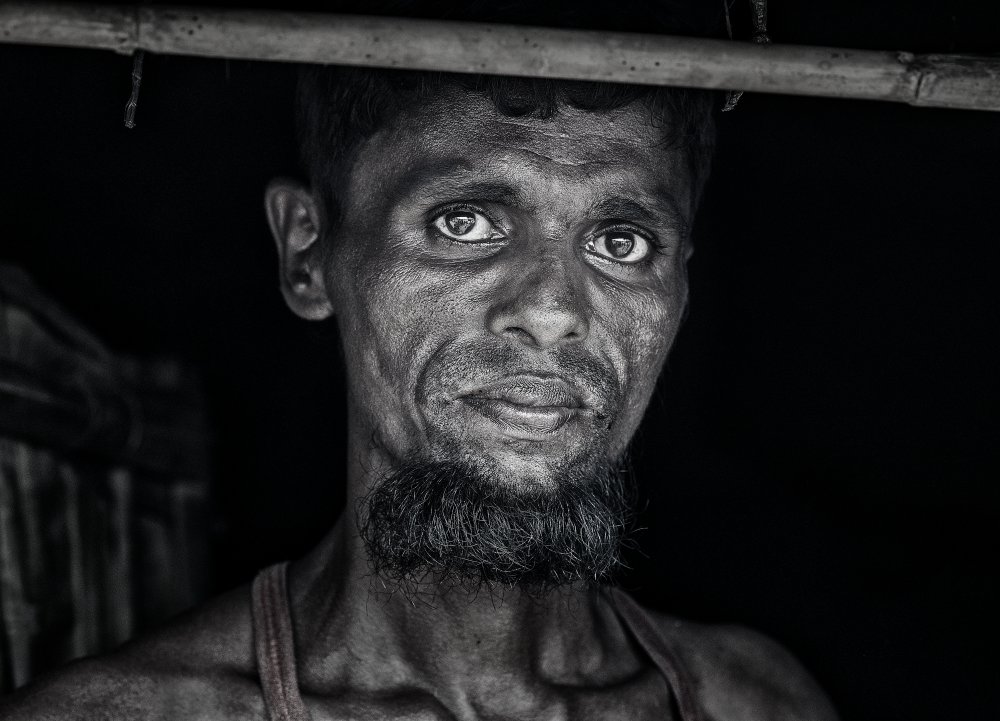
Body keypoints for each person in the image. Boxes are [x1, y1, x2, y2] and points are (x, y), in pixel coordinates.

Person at [0, 4, 839, 720]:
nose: (552, 312)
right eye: (463, 223)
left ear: (681, 284)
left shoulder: (757, 703)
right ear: (307, 252)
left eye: (620, 242)